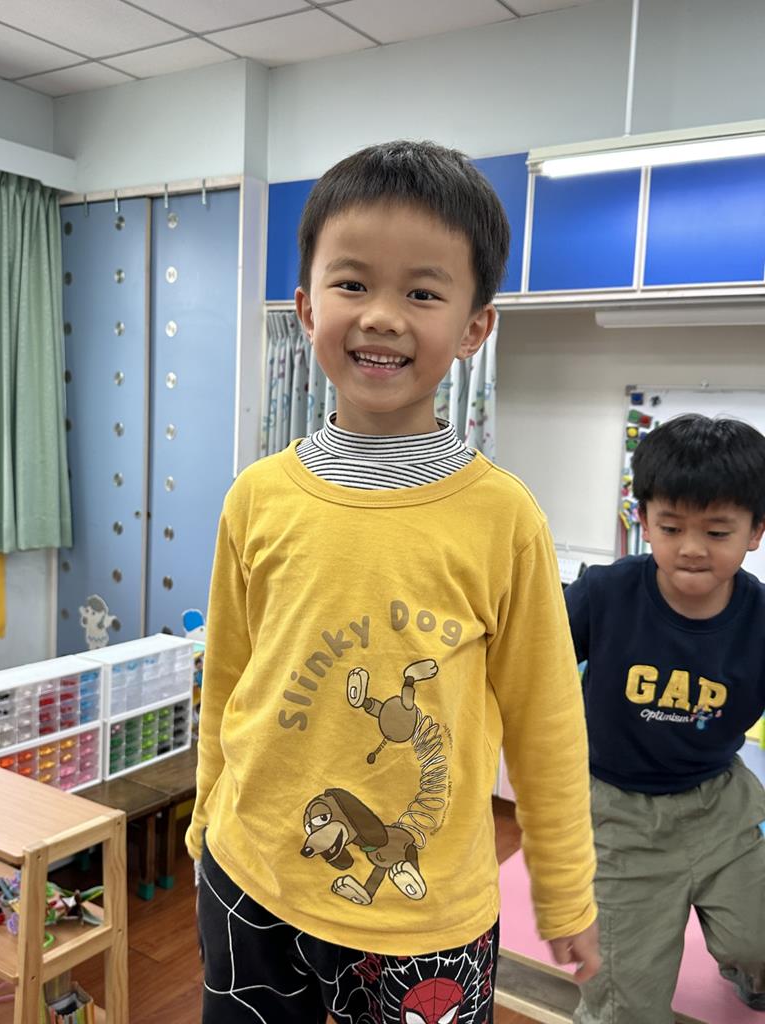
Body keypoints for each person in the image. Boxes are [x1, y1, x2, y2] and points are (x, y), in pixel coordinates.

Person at [186, 139, 599, 1023]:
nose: (381, 316)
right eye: (352, 283)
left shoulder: (504, 518)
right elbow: (227, 679)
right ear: (306, 308)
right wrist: (205, 815)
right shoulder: (256, 498)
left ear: (475, 326)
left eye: (421, 292)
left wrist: (565, 888)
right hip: (248, 875)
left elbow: (547, 720)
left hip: (424, 914)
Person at [565, 413, 765, 1024]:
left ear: (755, 532)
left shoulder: (760, 619)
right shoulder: (605, 593)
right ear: (644, 521)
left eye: (717, 531)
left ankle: (747, 974)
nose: (692, 547)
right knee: (624, 1003)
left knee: (758, 943)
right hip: (617, 818)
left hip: (721, 802)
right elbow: (527, 659)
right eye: (672, 527)